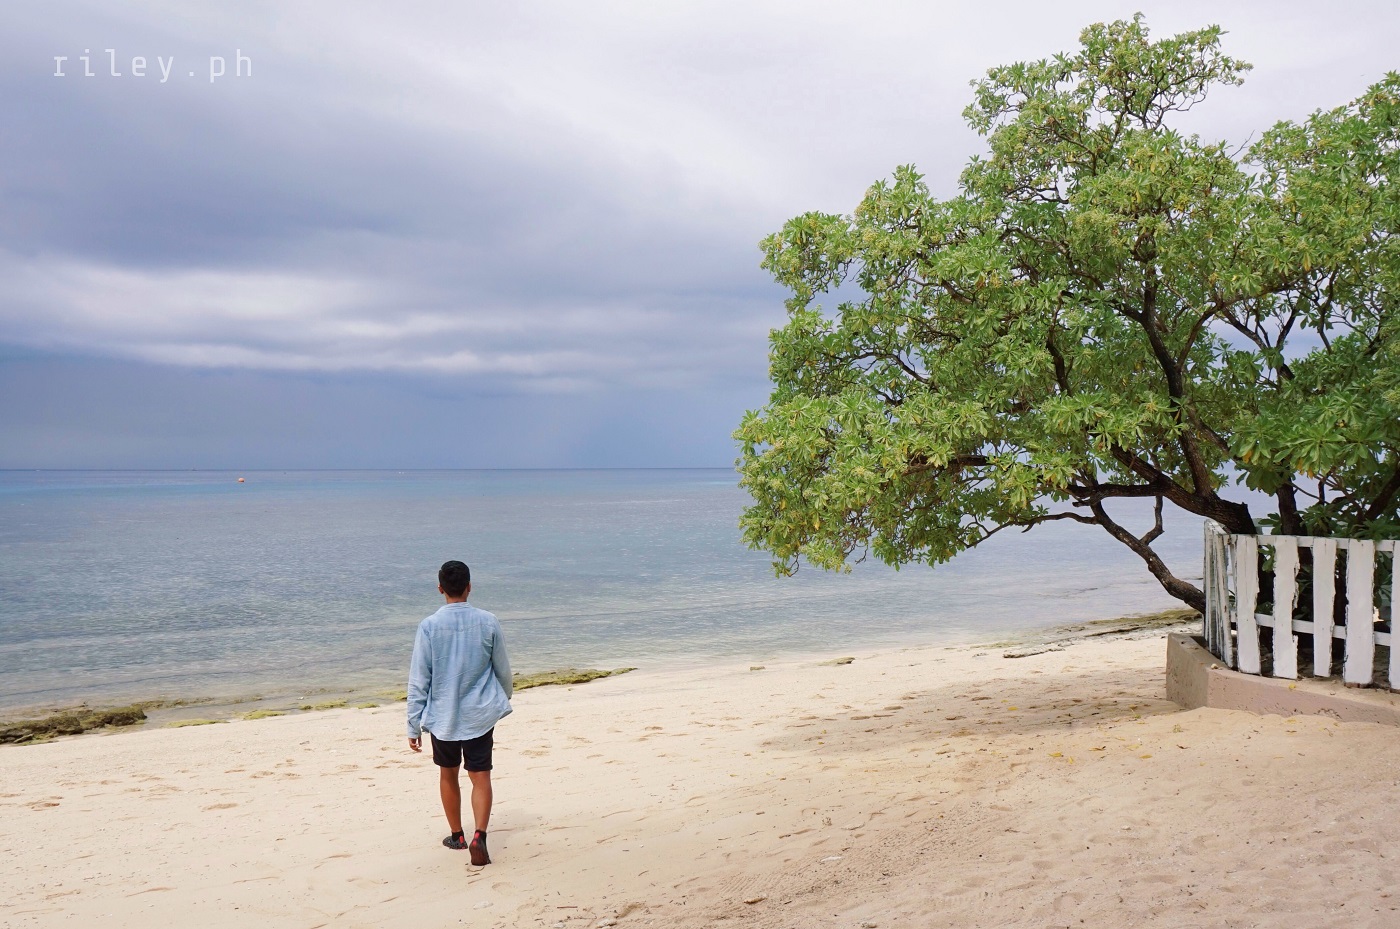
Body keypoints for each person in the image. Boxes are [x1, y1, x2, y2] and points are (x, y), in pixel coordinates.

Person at [407, 560, 513, 866]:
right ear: (469, 586)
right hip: (479, 713)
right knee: (480, 776)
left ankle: (458, 835)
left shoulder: (429, 626)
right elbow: (502, 669)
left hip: (443, 715)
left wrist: (413, 724)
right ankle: (480, 834)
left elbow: (419, 678)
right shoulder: (488, 621)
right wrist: (501, 698)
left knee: (448, 773)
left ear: (440, 589)